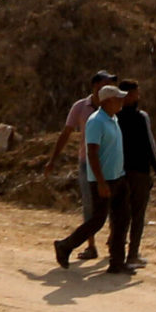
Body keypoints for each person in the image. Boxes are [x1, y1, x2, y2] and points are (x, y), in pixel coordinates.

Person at [57, 79, 156, 273]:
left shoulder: (113, 119)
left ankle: (117, 263)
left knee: (122, 219)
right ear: (107, 101)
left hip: (118, 177)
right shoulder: (96, 122)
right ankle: (65, 245)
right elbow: (92, 153)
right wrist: (100, 182)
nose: (121, 102)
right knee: (98, 220)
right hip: (104, 179)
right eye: (117, 99)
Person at [43, 71, 118, 265]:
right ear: (95, 86)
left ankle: (112, 243)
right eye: (106, 84)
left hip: (110, 165)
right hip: (88, 163)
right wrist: (52, 160)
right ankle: (90, 245)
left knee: (111, 207)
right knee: (90, 206)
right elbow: (66, 133)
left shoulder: (113, 109)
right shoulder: (80, 107)